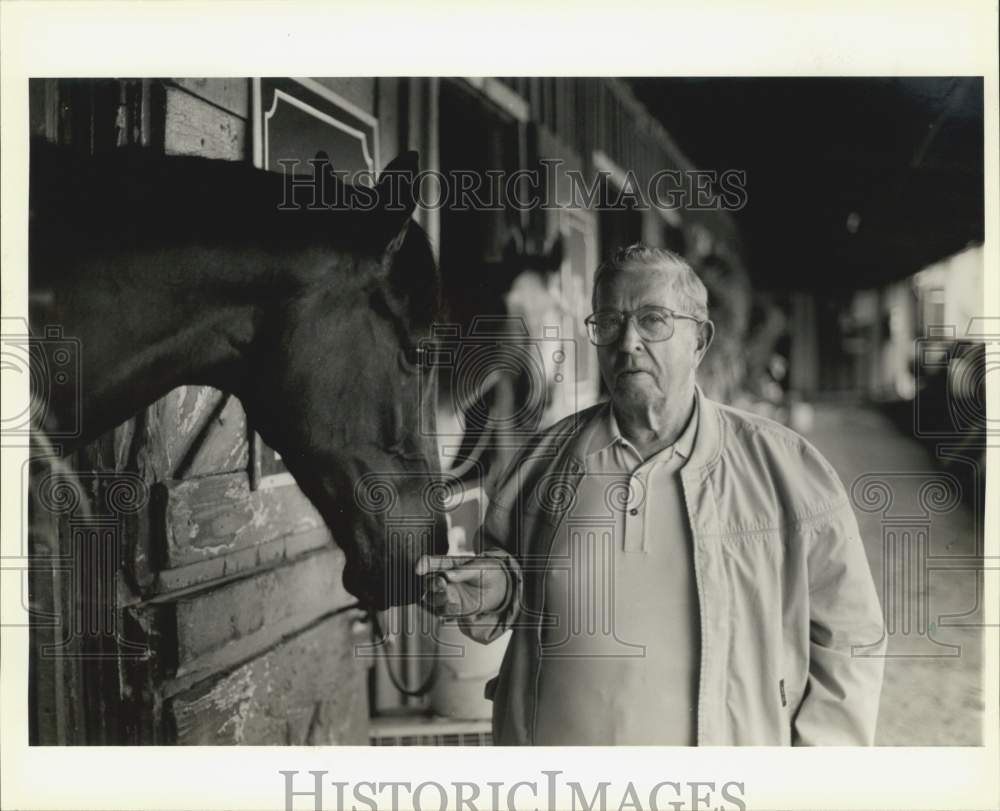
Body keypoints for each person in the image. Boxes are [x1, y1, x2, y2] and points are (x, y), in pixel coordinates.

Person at [418, 244, 886, 746]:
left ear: (699, 340)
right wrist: (495, 589)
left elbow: (850, 638)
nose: (628, 343)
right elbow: (512, 579)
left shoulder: (787, 472)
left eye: (653, 320)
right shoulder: (540, 466)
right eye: (610, 322)